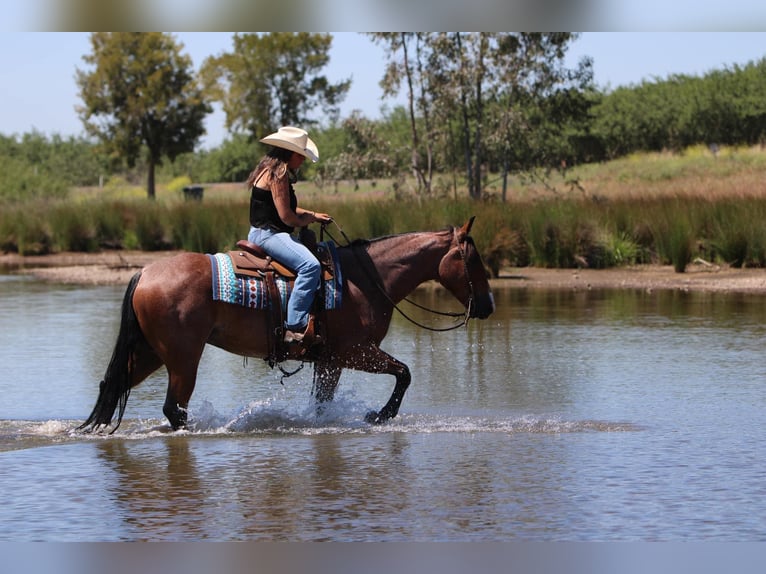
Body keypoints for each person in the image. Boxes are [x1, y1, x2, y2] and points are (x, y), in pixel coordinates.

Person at [246, 126, 333, 345]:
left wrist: (313, 215)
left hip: (263, 232)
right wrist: (305, 221)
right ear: (292, 154)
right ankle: (294, 325)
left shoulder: (267, 169)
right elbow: (287, 217)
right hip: (269, 234)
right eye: (301, 156)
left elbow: (283, 208)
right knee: (310, 266)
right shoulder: (279, 173)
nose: (302, 161)